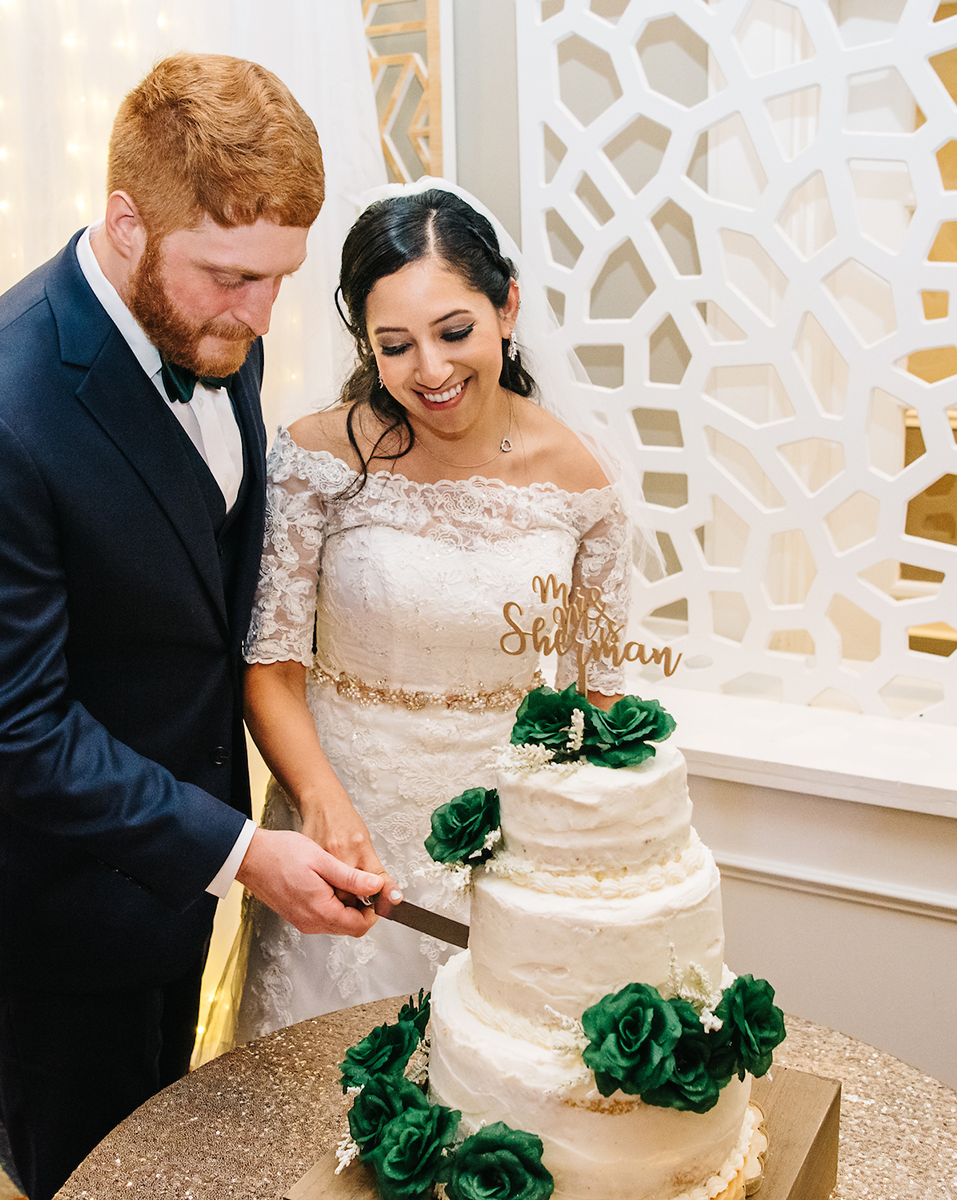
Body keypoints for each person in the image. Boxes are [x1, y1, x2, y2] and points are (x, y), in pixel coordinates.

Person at [0, 53, 385, 1200]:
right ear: (126, 222)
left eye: (279, 279)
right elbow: (9, 730)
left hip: (177, 865)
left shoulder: (217, 331)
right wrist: (241, 853)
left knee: (165, 1146)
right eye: (231, 277)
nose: (258, 315)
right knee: (87, 1174)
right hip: (50, 901)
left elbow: (199, 601)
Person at [234, 184, 630, 1040]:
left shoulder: (583, 480)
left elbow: (597, 695)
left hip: (502, 838)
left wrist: (557, 846)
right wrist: (321, 801)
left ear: (506, 307)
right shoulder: (314, 459)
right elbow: (270, 671)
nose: (433, 372)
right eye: (396, 345)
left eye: (454, 332)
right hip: (339, 820)